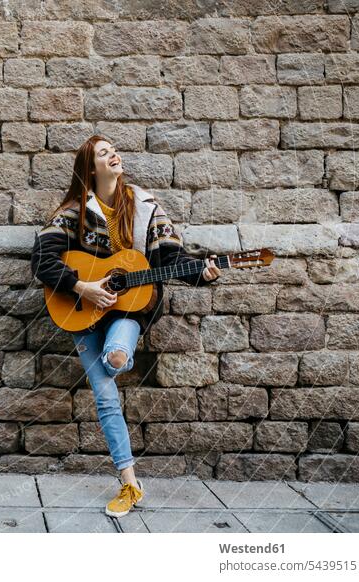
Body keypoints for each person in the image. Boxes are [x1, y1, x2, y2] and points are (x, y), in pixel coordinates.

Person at [30, 135, 221, 518]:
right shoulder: (74, 211)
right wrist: (83, 285)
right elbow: (40, 258)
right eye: (104, 153)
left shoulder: (145, 206)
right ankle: (130, 482)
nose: (114, 155)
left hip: (130, 310)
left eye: (113, 150)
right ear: (90, 168)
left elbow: (171, 256)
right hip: (80, 310)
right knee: (104, 397)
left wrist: (204, 271)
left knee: (115, 359)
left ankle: (120, 356)